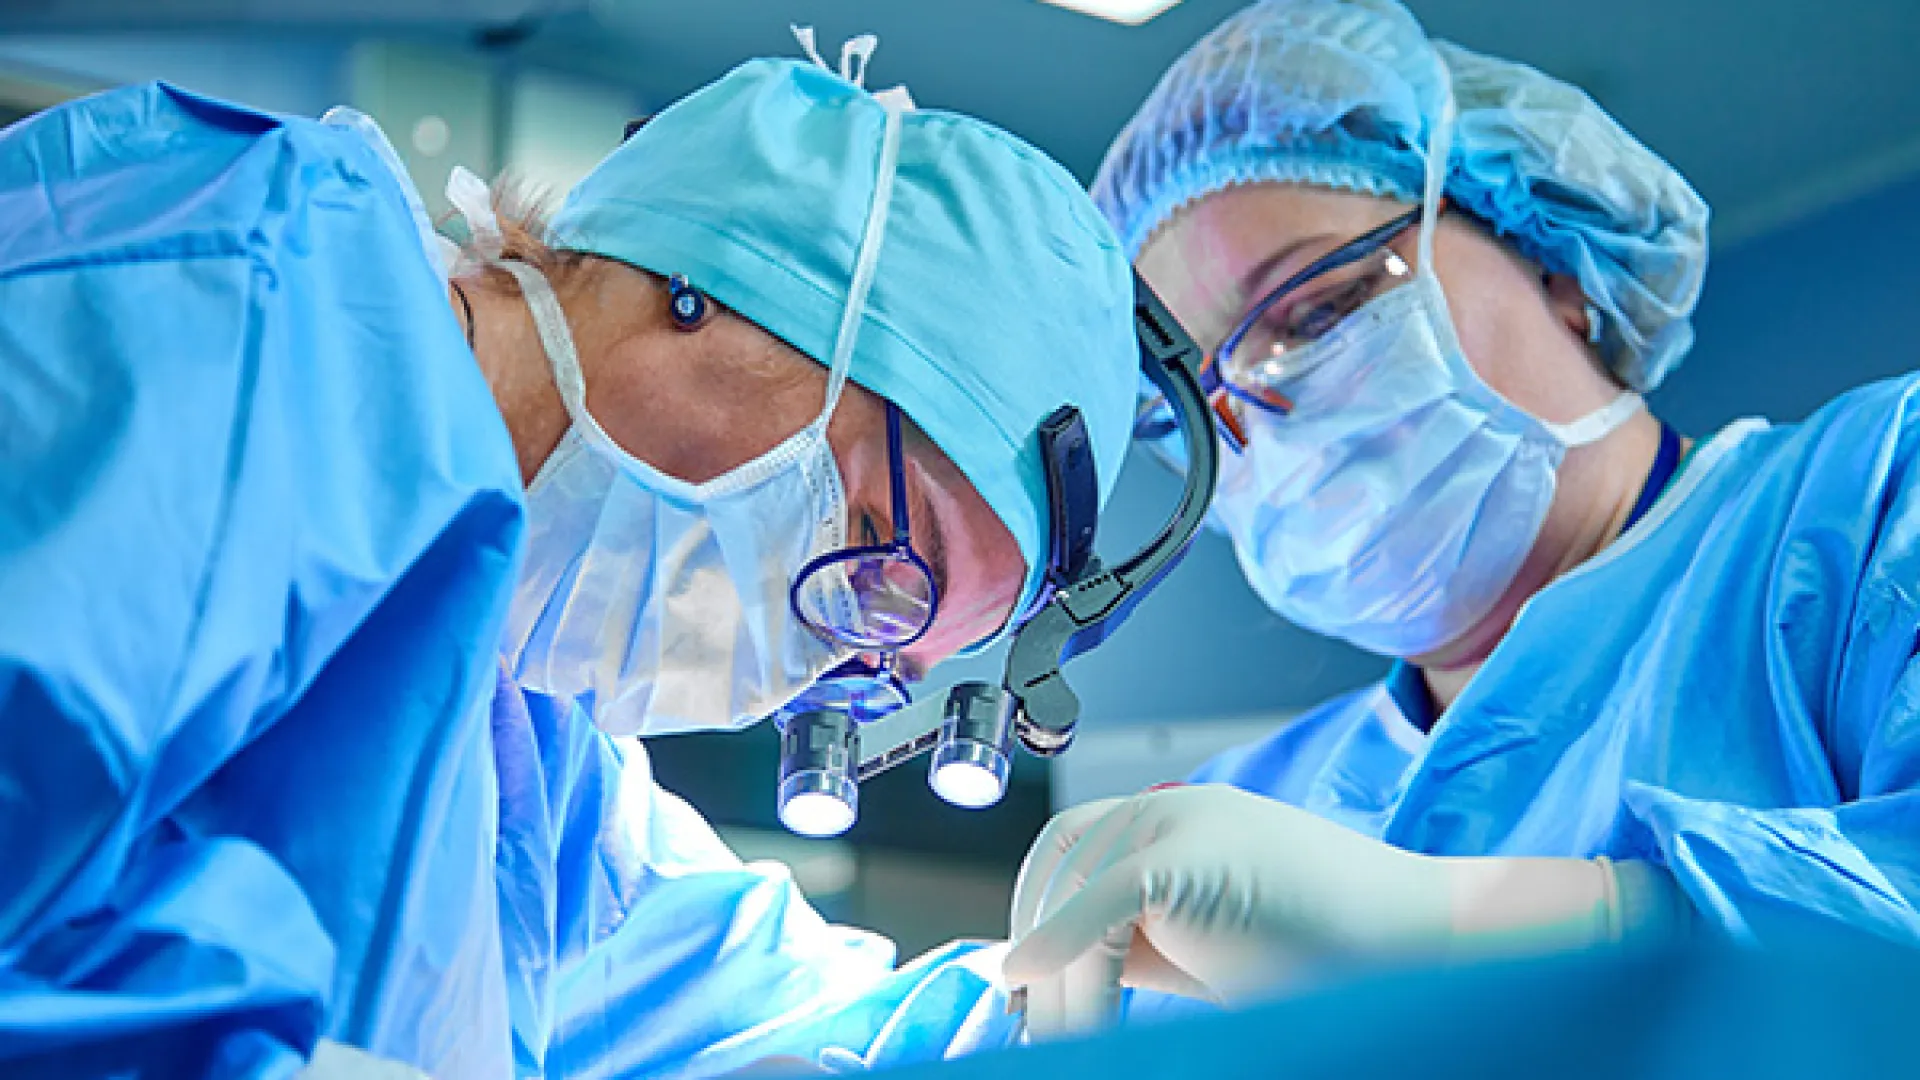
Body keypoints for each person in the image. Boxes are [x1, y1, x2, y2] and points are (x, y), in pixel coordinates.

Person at [0, 31, 1142, 1078]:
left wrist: (1145, 968)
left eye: (887, 657)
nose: (814, 667)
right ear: (721, 290)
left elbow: (831, 1033)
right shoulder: (241, 290)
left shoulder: (530, 773)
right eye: (883, 558)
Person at [1003, 0, 1920, 1038]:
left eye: (1319, 307)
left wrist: (1464, 931)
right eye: (1199, 410)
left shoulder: (1878, 499)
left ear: (1558, 271)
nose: (1263, 412)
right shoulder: (1251, 811)